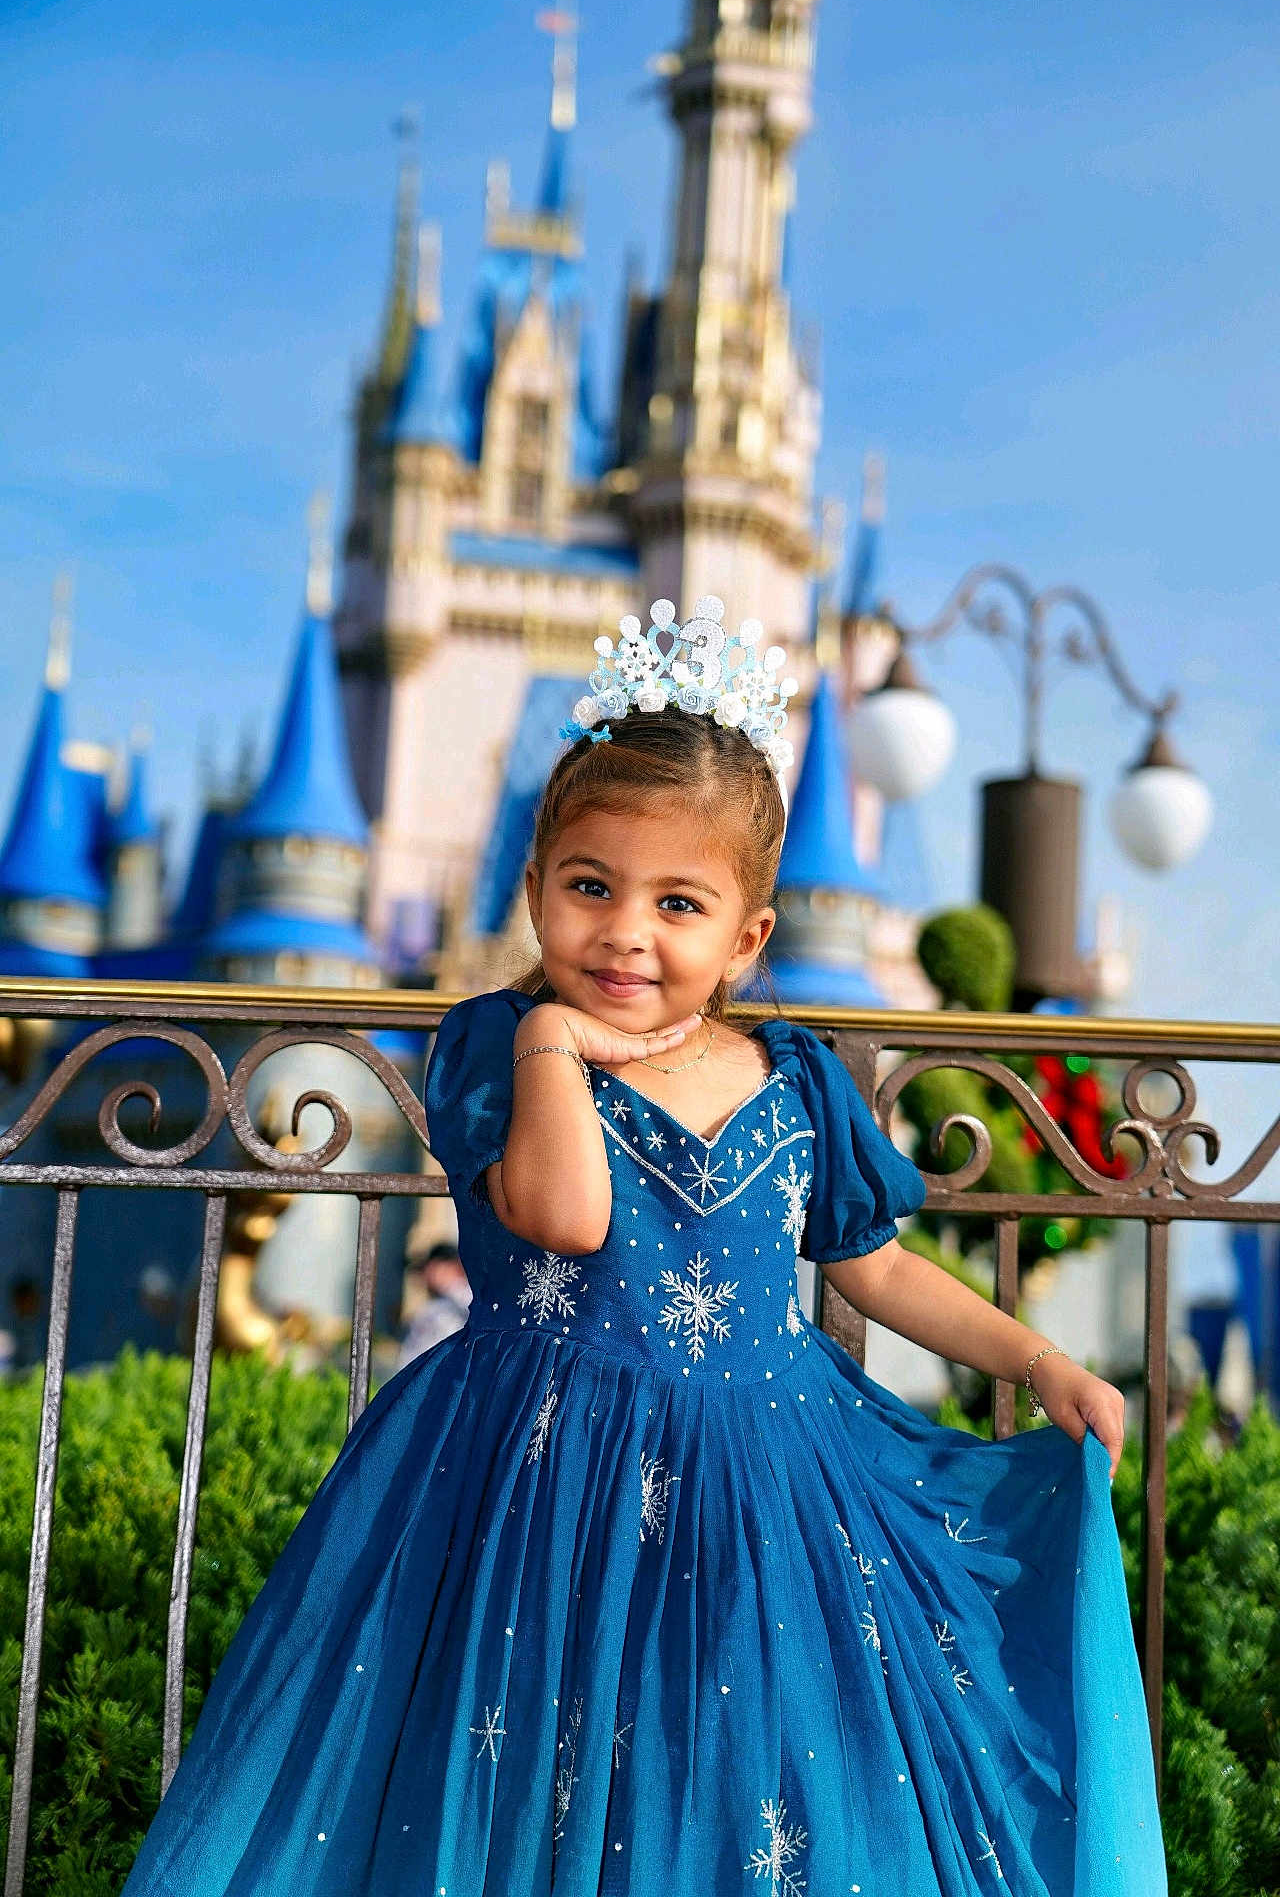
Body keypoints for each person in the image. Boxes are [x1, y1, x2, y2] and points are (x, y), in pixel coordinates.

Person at [119, 598, 1166, 1894]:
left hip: (763, 1487)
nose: (627, 931)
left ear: (748, 936)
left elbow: (873, 1265)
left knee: (736, 1782)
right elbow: (566, 1217)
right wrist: (559, 1043)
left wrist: (1038, 1361)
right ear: (537, 887)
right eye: (591, 887)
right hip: (535, 1474)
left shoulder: (793, 1078)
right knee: (535, 1787)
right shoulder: (499, 1043)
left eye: (679, 903)